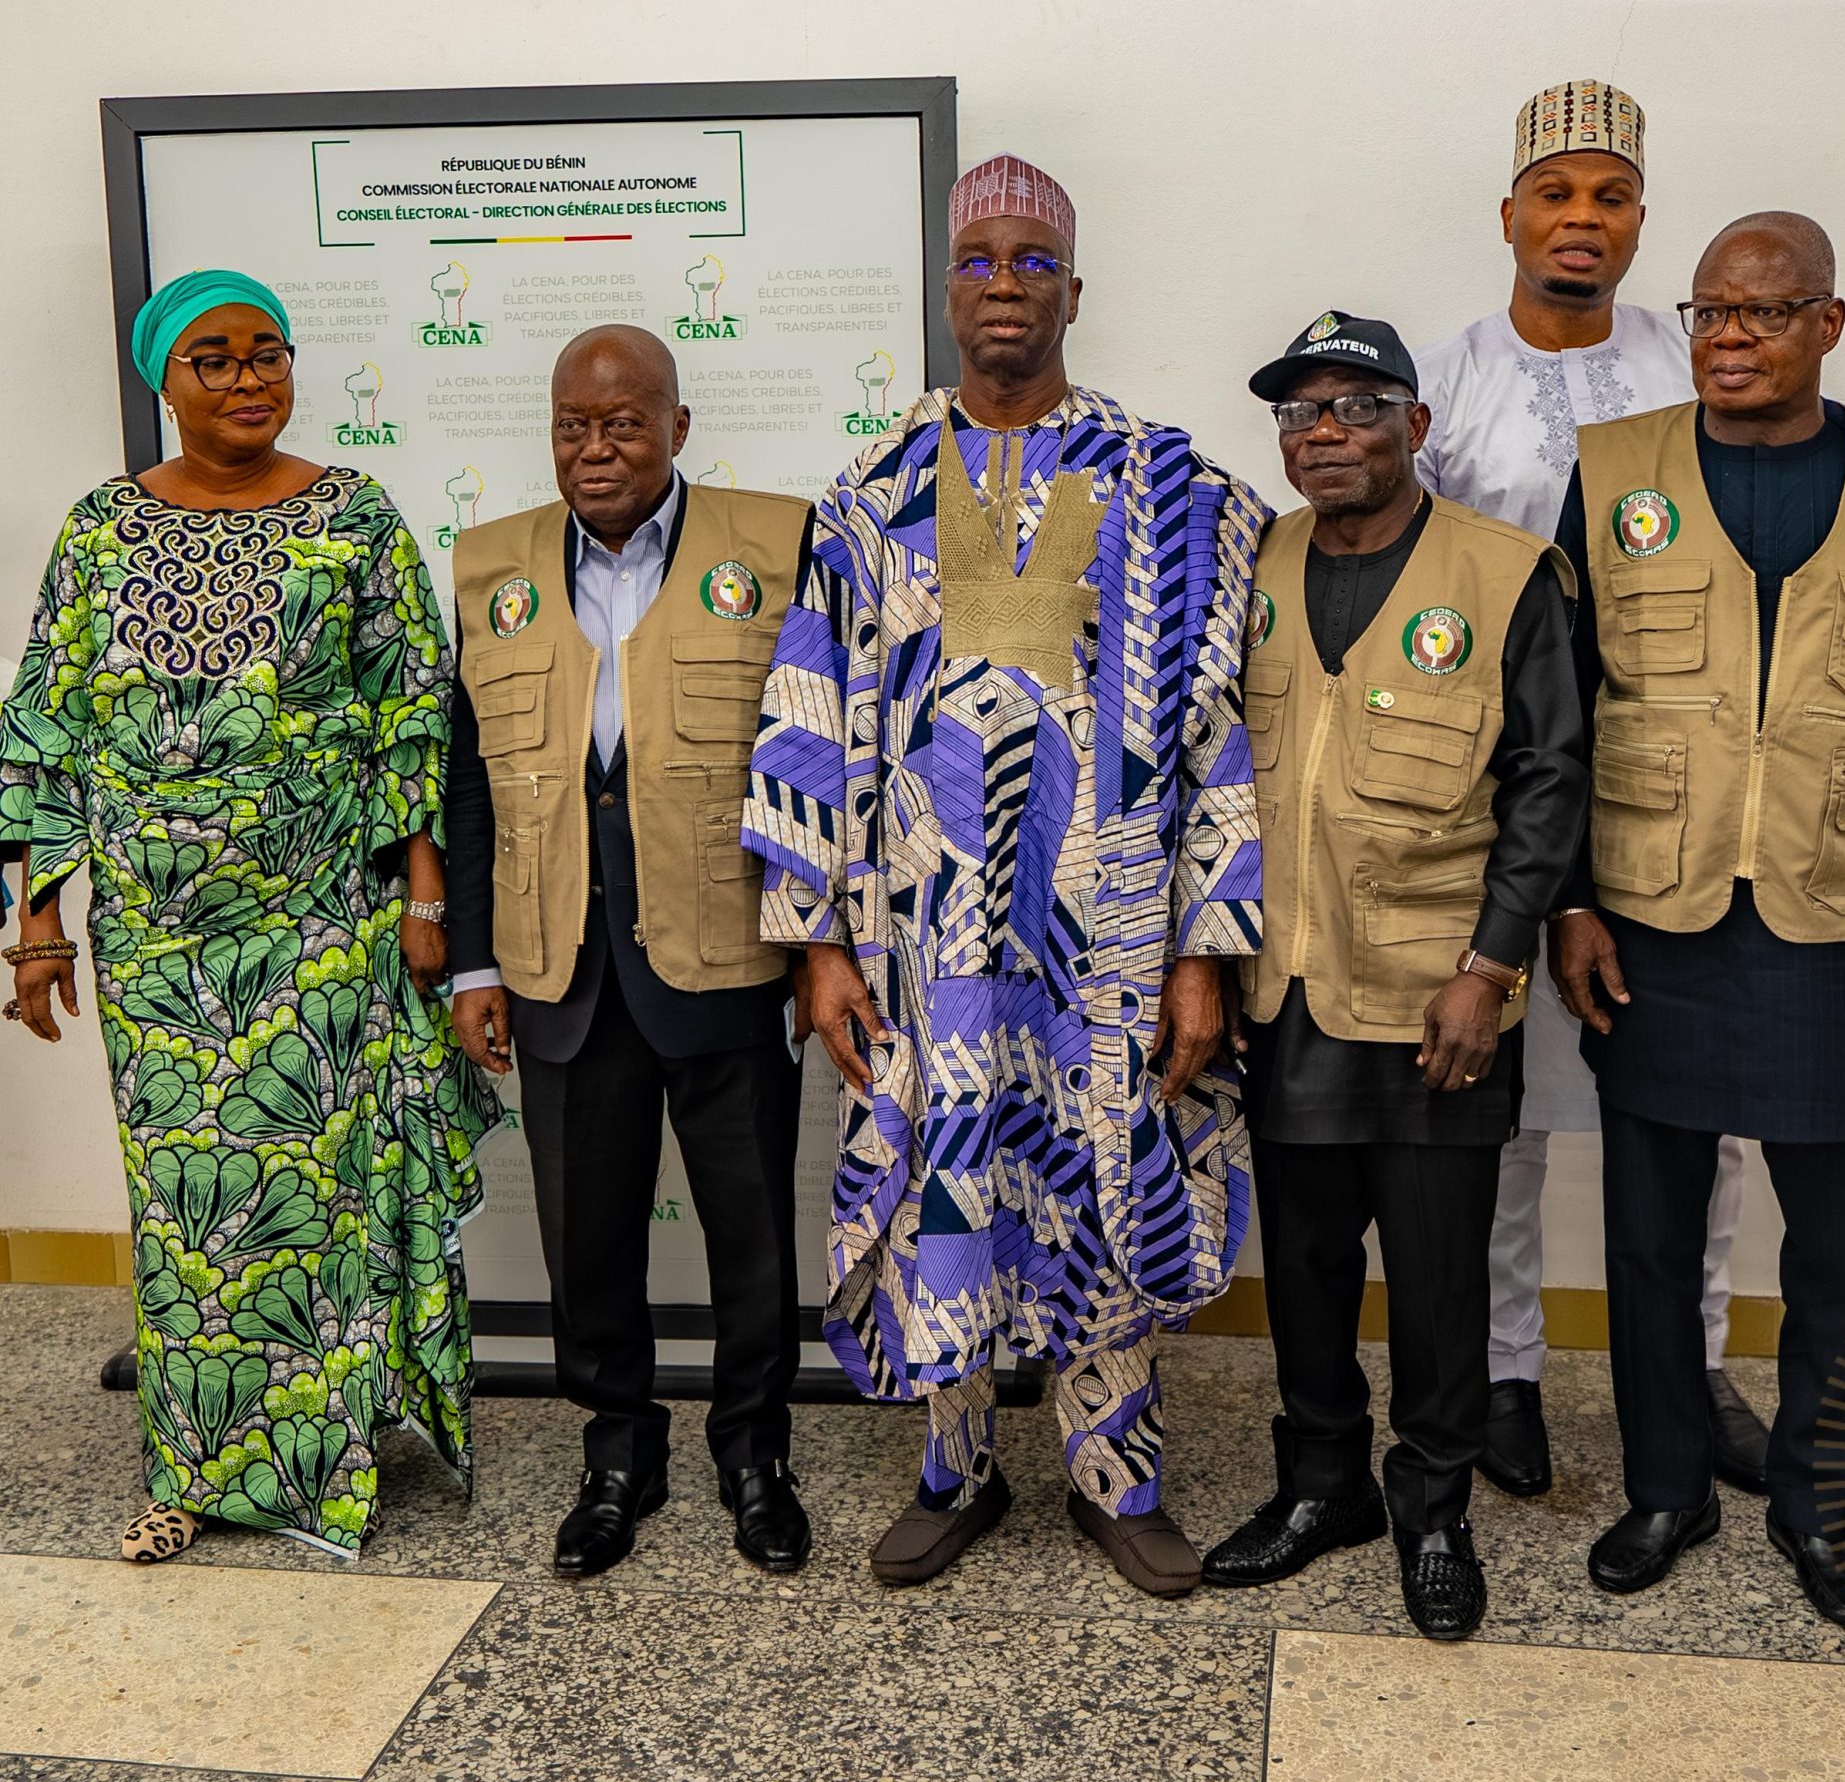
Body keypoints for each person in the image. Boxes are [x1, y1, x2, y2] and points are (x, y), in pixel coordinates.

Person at [744, 154, 1268, 1599]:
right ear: (945, 287)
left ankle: (1118, 1475)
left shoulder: (1165, 485)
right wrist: (819, 946)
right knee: (944, 1179)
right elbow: (810, 715)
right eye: (978, 258)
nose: (1004, 285)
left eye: (1034, 261)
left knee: (1106, 1172)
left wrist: (1202, 953)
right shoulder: (871, 492)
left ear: (1075, 292)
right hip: (923, 940)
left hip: (1109, 937)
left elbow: (1218, 725)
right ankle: (954, 1469)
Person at [0, 269, 499, 1561]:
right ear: (163, 380)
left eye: (266, 352)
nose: (246, 378)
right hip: (159, 945)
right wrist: (37, 923)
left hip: (323, 923)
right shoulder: (102, 529)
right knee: (187, 1216)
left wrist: (426, 896)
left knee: (322, 1201)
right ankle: (197, 1472)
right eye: (213, 358)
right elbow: (47, 729)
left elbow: (409, 712)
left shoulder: (355, 515)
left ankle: (330, 1458)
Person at [1550, 213, 1845, 1626]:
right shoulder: (1612, 471)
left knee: (1835, 1252)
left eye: (1764, 311)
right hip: (1653, 907)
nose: (1731, 338)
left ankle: (1817, 1506)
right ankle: (1665, 1488)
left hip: (1836, 912)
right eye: (1710, 313)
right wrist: (1569, 897)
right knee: (1648, 1236)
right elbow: (1562, 701)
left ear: (1829, 322)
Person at [1201, 313, 1586, 1639]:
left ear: (1417, 425)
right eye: (1300, 412)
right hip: (1287, 994)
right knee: (1305, 1270)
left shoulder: (1505, 573)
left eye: (1357, 407)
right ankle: (1323, 1486)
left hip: (1436, 999)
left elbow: (1550, 784)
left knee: (1435, 1282)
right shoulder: (1249, 563)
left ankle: (1432, 1508)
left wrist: (1493, 966)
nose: (1326, 433)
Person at [1416, 80, 1768, 1499]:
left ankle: (1692, 1365)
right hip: (1498, 789)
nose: (1582, 219)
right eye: (1555, 194)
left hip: (1676, 780)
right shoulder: (1446, 380)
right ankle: (1505, 1372)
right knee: (1496, 1107)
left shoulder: (1697, 365)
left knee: (1700, 1102)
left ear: (1640, 219)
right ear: (1507, 214)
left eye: (1610, 196)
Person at [443, 325, 814, 1579]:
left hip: (724, 959)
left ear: (677, 426)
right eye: (573, 425)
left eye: (623, 422)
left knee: (752, 1233)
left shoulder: (777, 544)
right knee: (586, 1239)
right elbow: (470, 783)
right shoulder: (488, 564)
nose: (595, 448)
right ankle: (617, 1454)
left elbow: (819, 757)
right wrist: (476, 965)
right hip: (560, 966)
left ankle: (754, 1451)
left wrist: (819, 941)